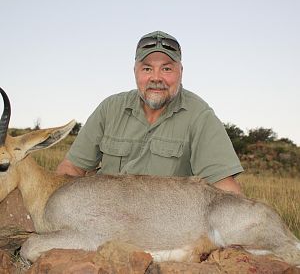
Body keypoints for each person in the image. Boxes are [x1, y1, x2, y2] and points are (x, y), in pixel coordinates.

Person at [57, 31, 243, 194]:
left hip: (165, 228)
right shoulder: (109, 108)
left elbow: (225, 187)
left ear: (181, 72)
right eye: (147, 68)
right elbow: (72, 168)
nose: (156, 78)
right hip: (105, 220)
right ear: (135, 72)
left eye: (166, 69)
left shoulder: (200, 116)